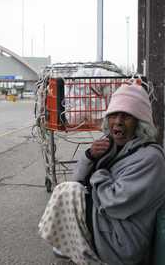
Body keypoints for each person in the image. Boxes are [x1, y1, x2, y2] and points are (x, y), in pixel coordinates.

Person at [38, 83, 165, 265]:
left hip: (121, 242)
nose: (118, 121)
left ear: (140, 122)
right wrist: (90, 156)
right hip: (107, 225)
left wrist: (98, 173)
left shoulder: (150, 158)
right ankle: (66, 254)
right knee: (69, 191)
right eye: (113, 115)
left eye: (127, 116)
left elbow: (114, 203)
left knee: (69, 193)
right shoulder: (114, 147)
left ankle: (68, 255)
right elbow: (79, 179)